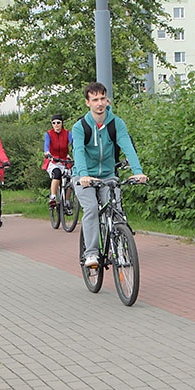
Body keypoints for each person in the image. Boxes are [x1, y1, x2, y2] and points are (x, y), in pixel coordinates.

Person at [71, 82, 147, 269]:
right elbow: (78, 152)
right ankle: (91, 254)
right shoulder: (80, 127)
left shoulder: (116, 123)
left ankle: (120, 249)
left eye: (102, 98)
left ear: (107, 100)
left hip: (108, 175)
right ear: (87, 102)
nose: (100, 103)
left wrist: (137, 172)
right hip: (84, 177)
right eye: (95, 99)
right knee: (91, 209)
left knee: (117, 209)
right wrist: (83, 175)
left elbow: (127, 147)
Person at [43, 114, 73, 206]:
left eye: (58, 122)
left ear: (62, 123)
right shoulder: (49, 134)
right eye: (54, 123)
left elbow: (73, 143)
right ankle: (53, 197)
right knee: (56, 174)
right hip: (53, 159)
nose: (56, 125)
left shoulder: (67, 133)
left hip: (64, 159)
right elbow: (46, 145)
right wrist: (47, 153)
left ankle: (67, 202)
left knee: (70, 178)